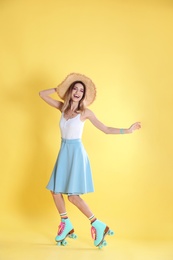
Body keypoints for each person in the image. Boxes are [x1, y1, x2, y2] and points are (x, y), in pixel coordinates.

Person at [39, 73, 141, 248]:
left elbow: (106, 129)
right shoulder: (63, 108)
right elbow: (42, 94)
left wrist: (128, 130)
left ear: (84, 95)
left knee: (72, 196)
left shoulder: (85, 113)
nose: (78, 92)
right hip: (63, 151)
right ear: (70, 91)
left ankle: (97, 224)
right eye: (75, 88)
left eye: (81, 90)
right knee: (55, 192)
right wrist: (60, 88)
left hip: (76, 153)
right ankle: (66, 224)